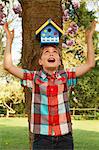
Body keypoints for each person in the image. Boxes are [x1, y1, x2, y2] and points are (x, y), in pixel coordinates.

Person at [3, 21, 96, 150]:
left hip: (65, 138)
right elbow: (8, 66)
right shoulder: (34, 78)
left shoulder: (66, 76)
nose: (51, 53)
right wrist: (9, 40)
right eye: (46, 52)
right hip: (42, 139)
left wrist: (89, 37)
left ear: (59, 61)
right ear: (40, 61)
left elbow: (90, 64)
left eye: (55, 52)